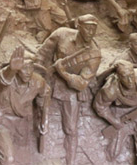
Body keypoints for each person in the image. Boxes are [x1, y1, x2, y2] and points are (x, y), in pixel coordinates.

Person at [36, 14, 101, 165]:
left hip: (70, 89)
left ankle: (70, 160)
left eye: (93, 29)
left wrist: (62, 73)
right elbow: (43, 53)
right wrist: (39, 73)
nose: (90, 32)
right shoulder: (62, 34)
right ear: (78, 26)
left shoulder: (94, 54)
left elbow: (82, 83)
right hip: (49, 80)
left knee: (71, 128)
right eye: (87, 28)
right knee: (37, 112)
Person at [0, 46, 51, 165]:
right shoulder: (4, 78)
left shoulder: (38, 81)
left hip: (22, 122)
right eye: (24, 67)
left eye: (30, 67)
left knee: (22, 155)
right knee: (8, 159)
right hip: (2, 122)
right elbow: (3, 81)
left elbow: (44, 99)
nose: (28, 72)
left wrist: (44, 120)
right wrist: (11, 70)